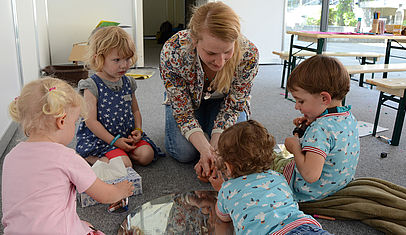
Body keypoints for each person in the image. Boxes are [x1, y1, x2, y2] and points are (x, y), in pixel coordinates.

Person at [2, 77, 134, 234]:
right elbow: (104, 195)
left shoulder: (11, 157)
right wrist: (121, 190)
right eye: (75, 122)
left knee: (78, 223)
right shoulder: (67, 157)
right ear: (62, 122)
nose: (75, 126)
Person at [160, 2, 259, 181]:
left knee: (233, 148)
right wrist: (206, 150)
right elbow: (183, 113)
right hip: (187, 100)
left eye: (227, 52)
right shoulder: (173, 50)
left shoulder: (249, 54)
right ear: (194, 40)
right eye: (211, 53)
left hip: (225, 103)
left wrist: (213, 149)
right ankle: (204, 130)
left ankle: (208, 130)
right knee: (184, 152)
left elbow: (233, 107)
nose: (220, 62)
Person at [209, 120, 331, 235]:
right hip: (305, 226)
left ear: (228, 166)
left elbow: (223, 217)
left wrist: (221, 190)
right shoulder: (278, 176)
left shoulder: (227, 189)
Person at [76, 26, 163, 167]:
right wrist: (114, 141)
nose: (124, 65)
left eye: (127, 58)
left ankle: (120, 153)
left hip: (126, 135)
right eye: (116, 60)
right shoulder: (91, 86)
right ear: (98, 59)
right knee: (124, 164)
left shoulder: (128, 82)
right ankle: (90, 157)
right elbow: (91, 122)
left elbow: (135, 111)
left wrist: (138, 130)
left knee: (147, 155)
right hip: (102, 139)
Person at [283, 55, 360, 202]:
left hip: (311, 192)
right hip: (338, 184)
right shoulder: (347, 116)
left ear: (324, 98)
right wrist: (311, 120)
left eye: (301, 101)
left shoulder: (320, 129)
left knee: (267, 167)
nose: (296, 106)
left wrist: (295, 148)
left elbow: (310, 175)